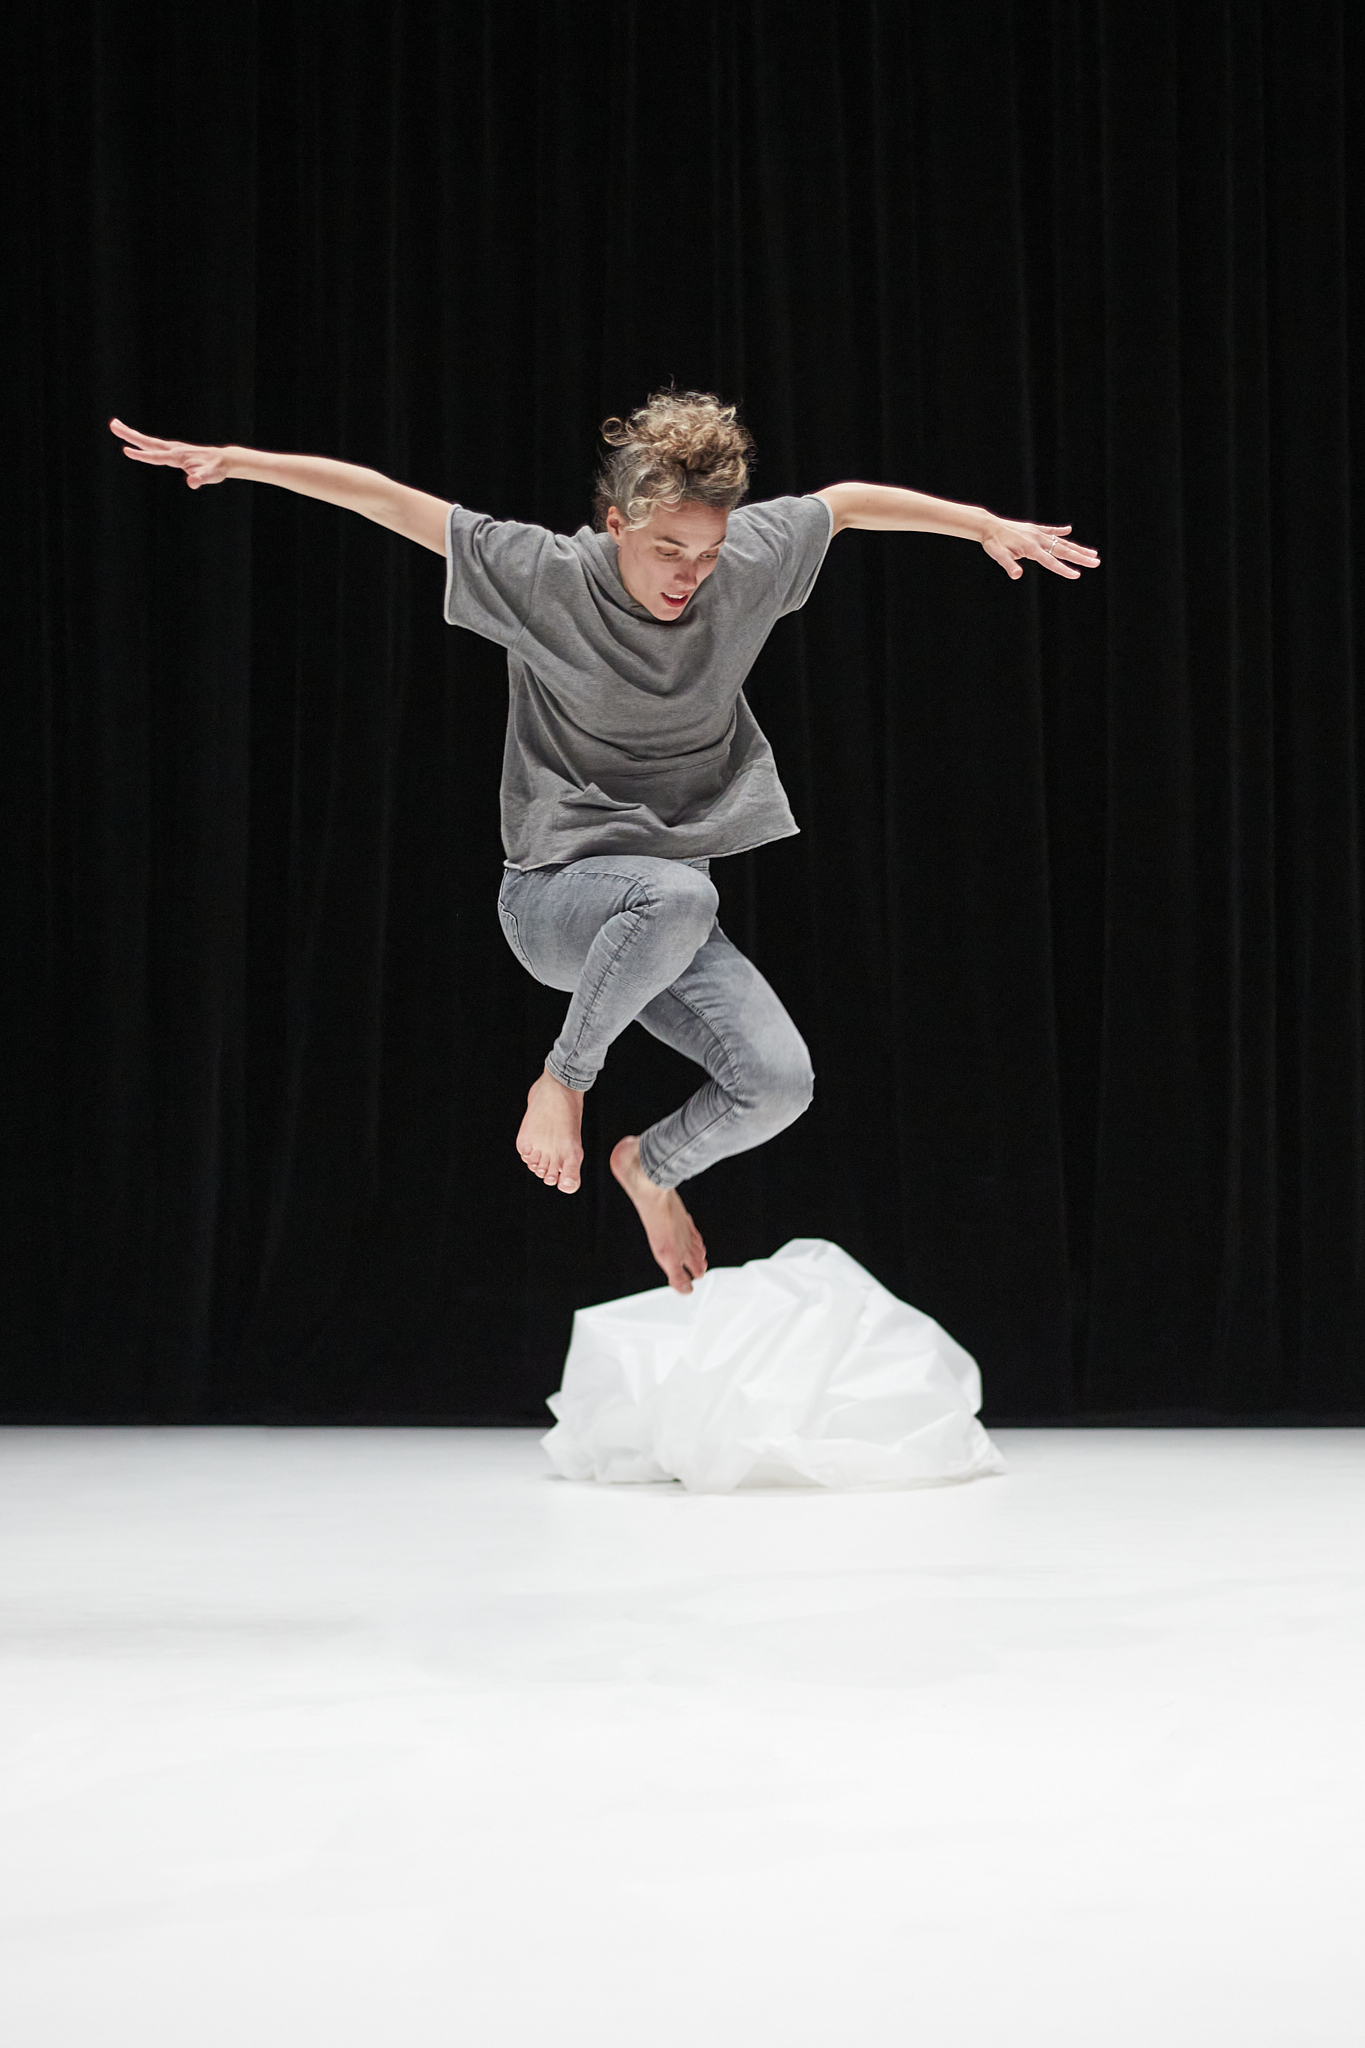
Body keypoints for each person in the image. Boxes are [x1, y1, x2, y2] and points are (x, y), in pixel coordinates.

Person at [109, 395, 1098, 1295]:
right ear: (617, 524)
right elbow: (387, 499)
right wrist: (240, 460)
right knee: (679, 894)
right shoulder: (542, 575)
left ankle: (649, 1168)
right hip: (556, 902)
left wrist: (982, 523)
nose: (690, 575)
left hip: (662, 925)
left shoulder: (743, 564)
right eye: (669, 549)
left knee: (776, 1083)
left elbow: (843, 505)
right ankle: (563, 1080)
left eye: (706, 551)